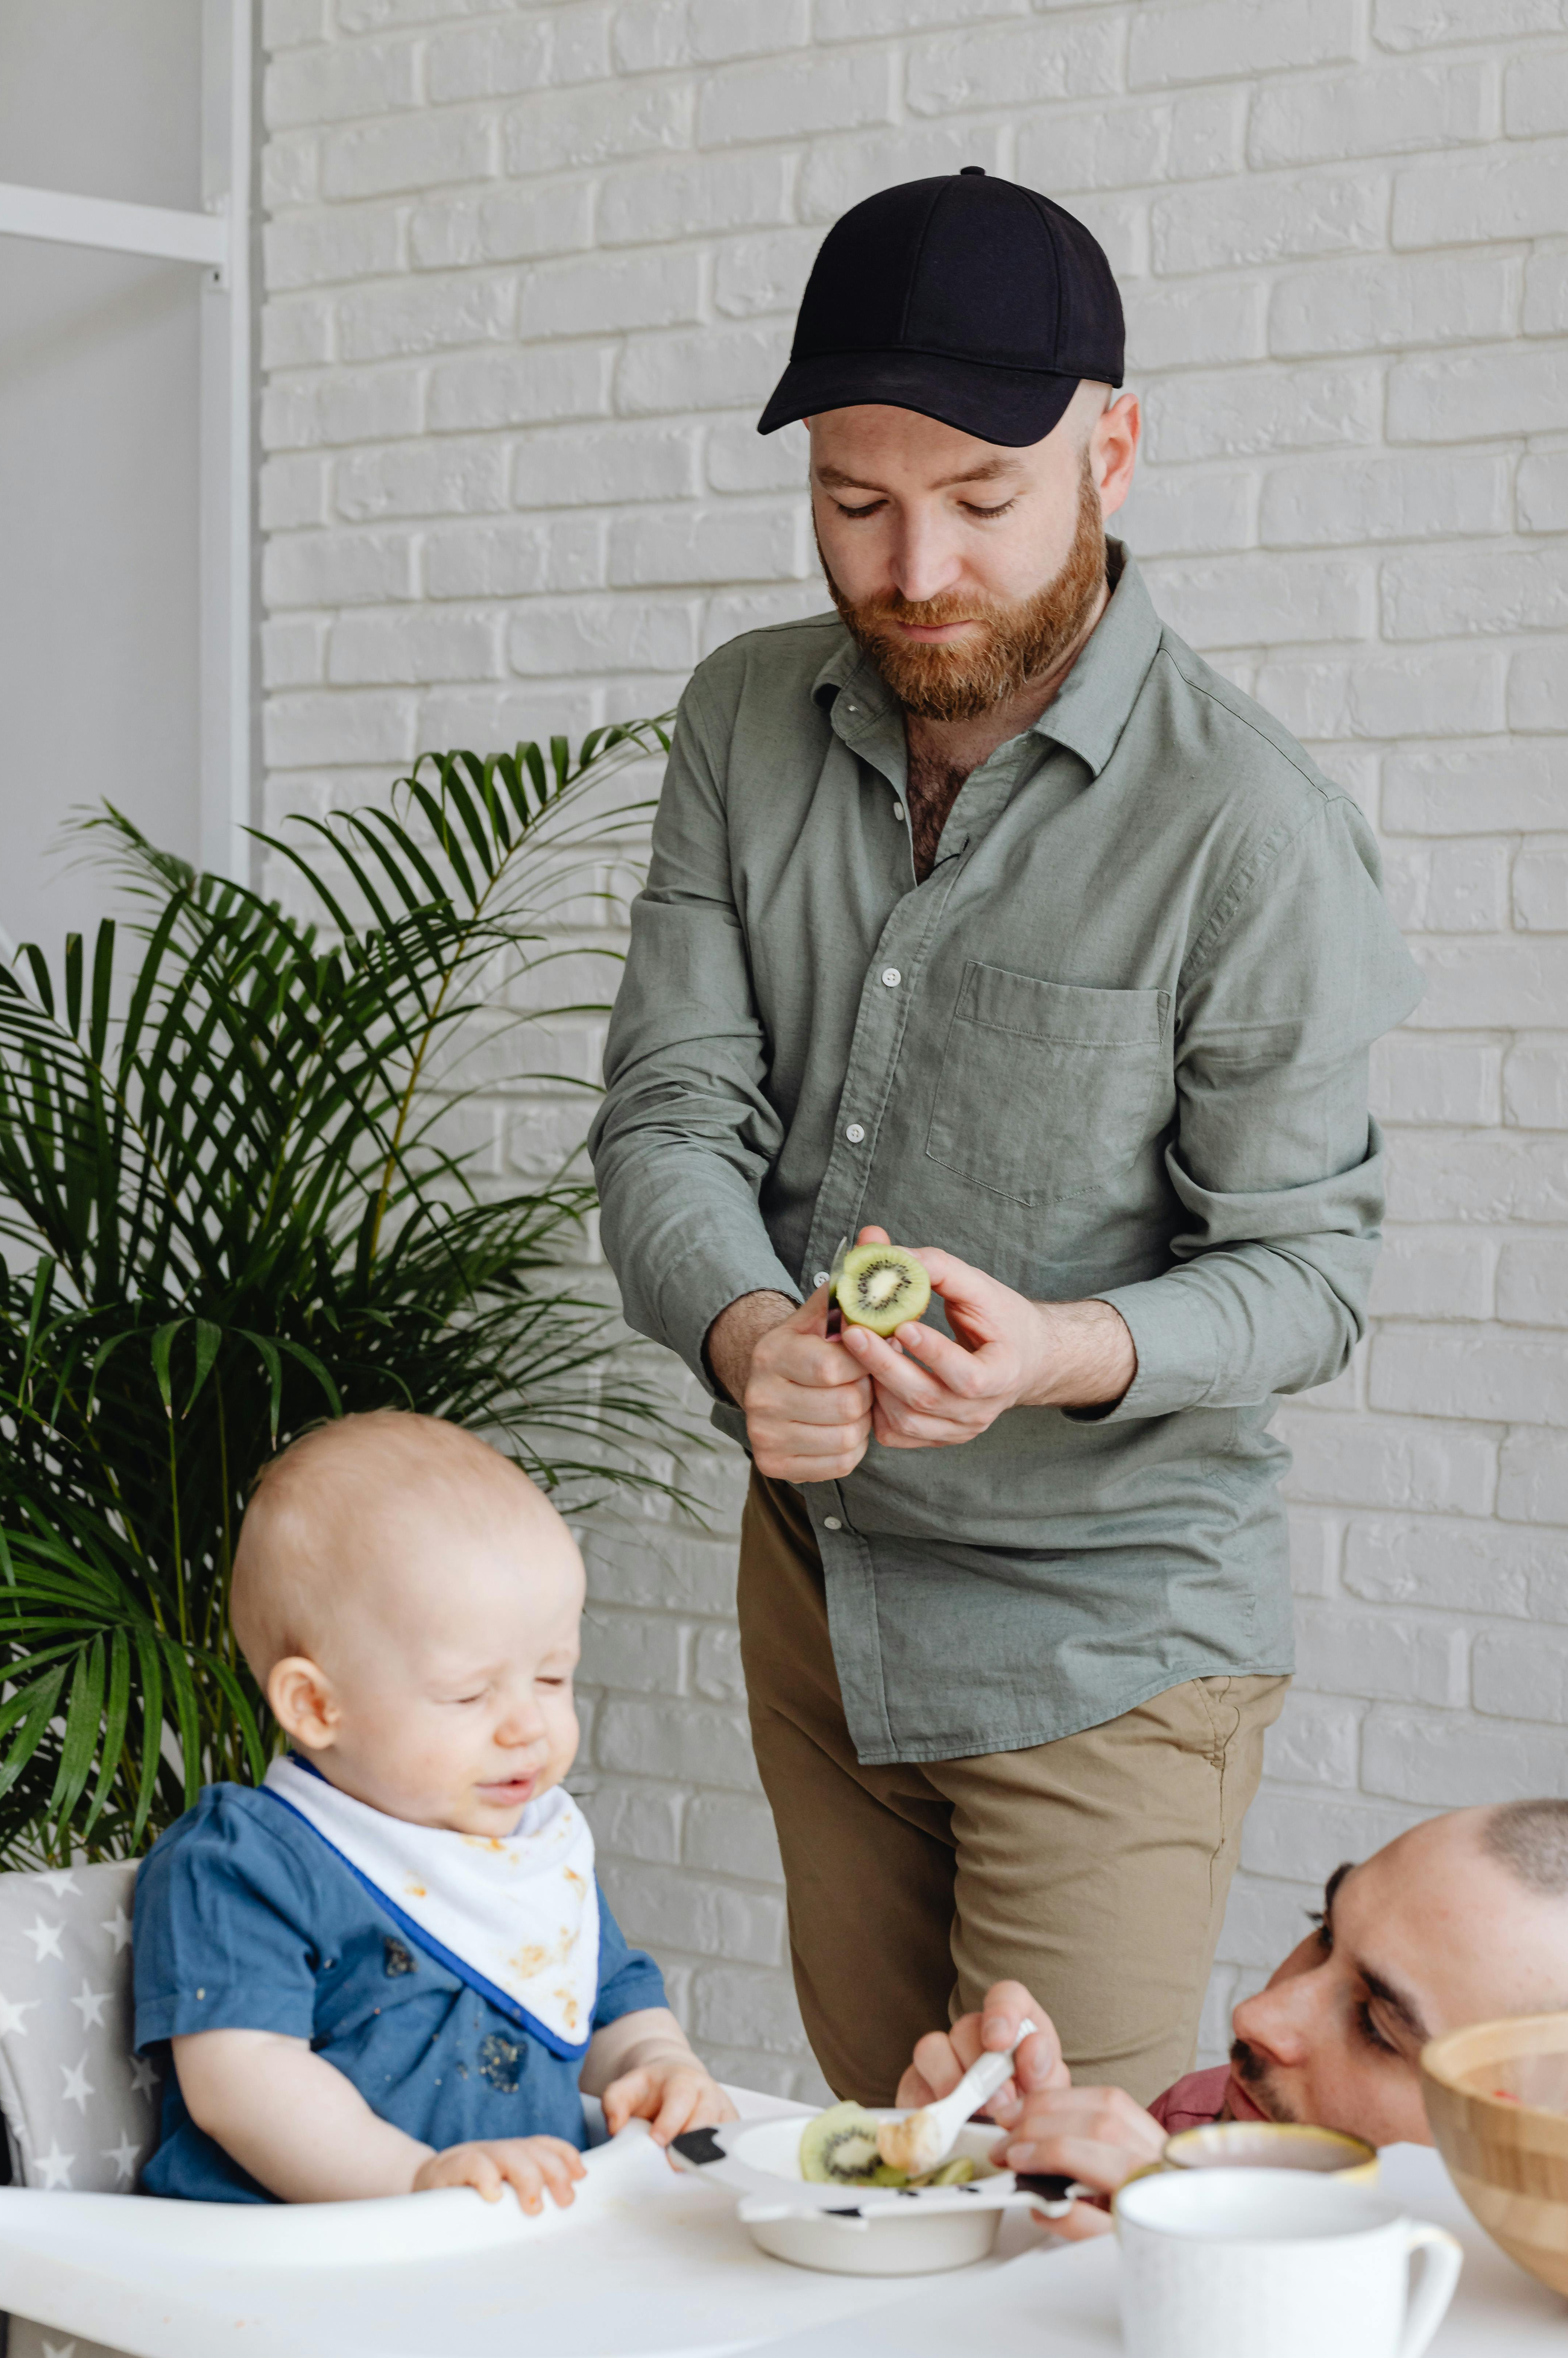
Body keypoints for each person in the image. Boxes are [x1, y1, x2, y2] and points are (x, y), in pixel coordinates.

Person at [588, 167, 1423, 2108]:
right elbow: (669, 1106)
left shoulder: (1252, 833)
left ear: (1107, 450)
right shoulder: (739, 719)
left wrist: (1059, 1348)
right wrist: (741, 1336)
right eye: (853, 502)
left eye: (977, 498)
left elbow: (1308, 1273)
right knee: (887, 2182)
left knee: (1054, 2227)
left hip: (1106, 1639)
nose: (910, 571)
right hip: (819, 1590)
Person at [132, 1412, 732, 2207]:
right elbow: (243, 2079)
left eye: (552, 1677)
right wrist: (411, 2179)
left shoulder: (529, 1848)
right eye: (470, 1692)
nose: (528, 1723)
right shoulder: (245, 1859)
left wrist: (656, 2062)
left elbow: (608, 1999)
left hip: (505, 2245)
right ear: (316, 1704)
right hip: (297, 2270)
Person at [897, 1799, 1568, 2237]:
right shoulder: (1198, 2118)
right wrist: (995, 2173)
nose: (1255, 2015)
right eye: (1324, 1933)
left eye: (1377, 2028)